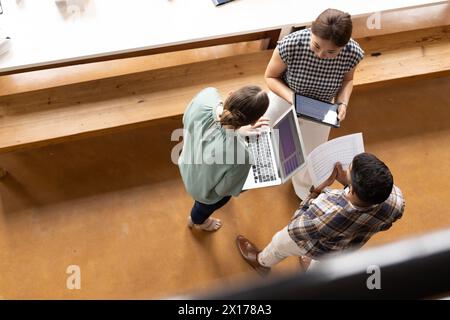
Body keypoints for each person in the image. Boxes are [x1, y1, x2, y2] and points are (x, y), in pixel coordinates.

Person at [236, 153, 405, 276]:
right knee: (321, 267)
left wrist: (316, 191)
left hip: (312, 243)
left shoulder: (329, 210)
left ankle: (261, 262)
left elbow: (295, 227)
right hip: (343, 248)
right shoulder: (395, 199)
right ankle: (310, 266)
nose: (345, 170)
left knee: (279, 244)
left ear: (353, 189)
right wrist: (348, 183)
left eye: (349, 171)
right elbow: (387, 223)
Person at [264, 8, 365, 200]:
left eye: (331, 52)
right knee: (275, 139)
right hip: (285, 98)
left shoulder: (353, 53)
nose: (320, 55)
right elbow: (270, 77)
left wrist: (343, 103)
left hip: (321, 107)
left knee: (311, 151)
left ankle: (302, 188)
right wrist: (292, 98)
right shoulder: (290, 44)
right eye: (316, 46)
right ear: (310, 31)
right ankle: (277, 168)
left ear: (344, 47)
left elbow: (347, 81)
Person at [178, 86, 269, 231]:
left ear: (230, 94)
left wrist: (237, 132)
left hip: (186, 161)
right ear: (253, 122)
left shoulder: (207, 96)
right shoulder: (241, 155)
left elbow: (187, 120)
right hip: (202, 192)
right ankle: (198, 221)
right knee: (202, 209)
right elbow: (222, 191)